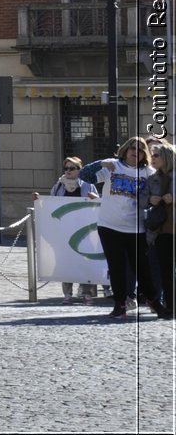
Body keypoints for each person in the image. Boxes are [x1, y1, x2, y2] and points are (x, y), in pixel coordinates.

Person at [81, 136, 155, 317]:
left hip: (135, 227)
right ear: (125, 149)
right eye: (132, 149)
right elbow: (84, 175)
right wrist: (101, 163)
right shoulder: (113, 165)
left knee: (142, 268)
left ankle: (153, 301)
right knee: (116, 268)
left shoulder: (148, 172)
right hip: (109, 226)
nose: (135, 152)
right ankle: (120, 303)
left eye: (139, 150)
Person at [32, 157, 101, 303]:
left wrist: (95, 199)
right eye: (66, 168)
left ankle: (86, 292)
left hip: (84, 231)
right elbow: (51, 206)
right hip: (64, 231)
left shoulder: (88, 186)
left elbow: (98, 206)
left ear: (79, 170)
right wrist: (39, 201)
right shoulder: (58, 187)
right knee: (65, 260)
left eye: (72, 168)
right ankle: (67, 294)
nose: (68, 171)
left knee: (85, 261)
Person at [146, 142, 175, 319]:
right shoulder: (152, 179)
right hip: (162, 230)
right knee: (166, 270)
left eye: (156, 155)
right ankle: (170, 306)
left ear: (167, 157)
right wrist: (150, 200)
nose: (152, 158)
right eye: (152, 155)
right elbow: (142, 201)